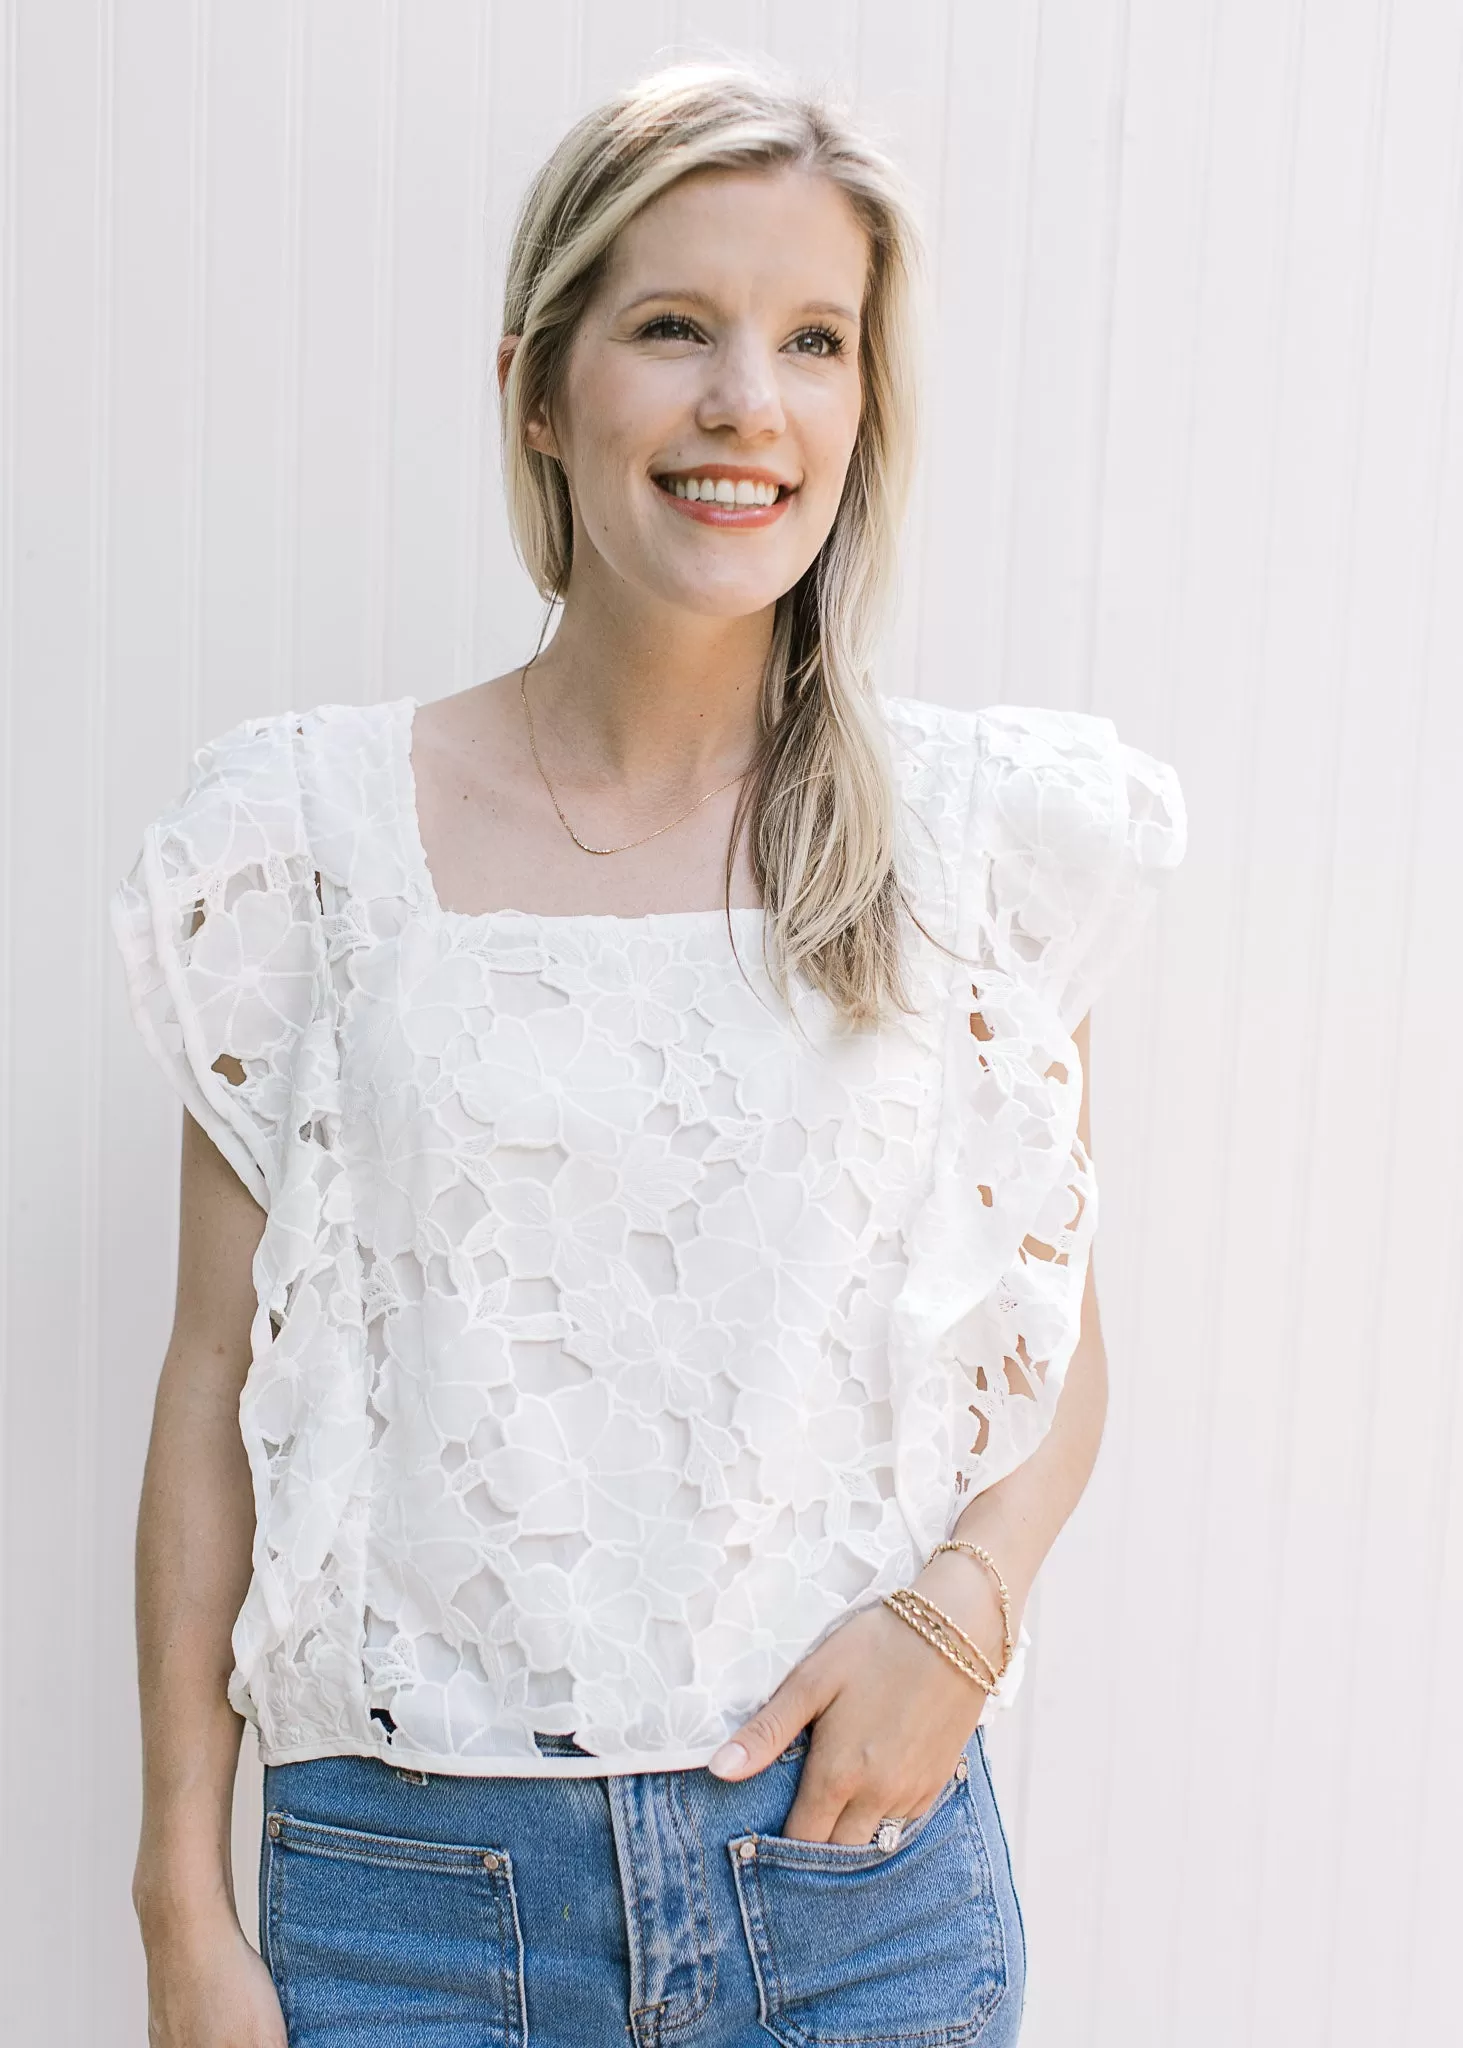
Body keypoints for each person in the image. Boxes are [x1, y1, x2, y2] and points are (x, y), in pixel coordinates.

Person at [112, 55, 1185, 2048]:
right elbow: (207, 1382)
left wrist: (958, 1618)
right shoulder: (308, 846)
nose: (742, 407)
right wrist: (182, 1887)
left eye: (810, 341)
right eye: (671, 328)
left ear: (866, 408)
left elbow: (1051, 1339)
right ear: (536, 385)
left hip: (849, 1878)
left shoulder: (976, 842)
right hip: (403, 1903)